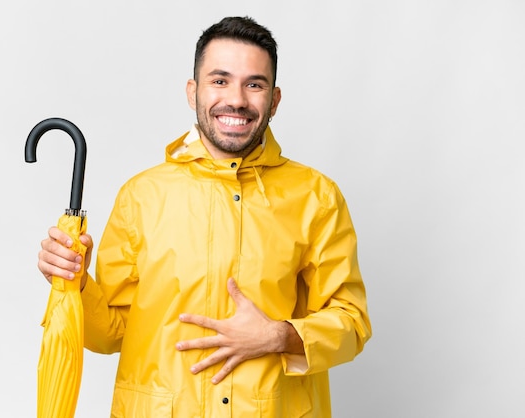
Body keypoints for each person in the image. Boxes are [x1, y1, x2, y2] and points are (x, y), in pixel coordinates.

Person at [37, 16, 371, 418]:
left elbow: (351, 324)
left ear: (275, 99)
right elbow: (110, 333)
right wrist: (75, 285)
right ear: (192, 91)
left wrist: (279, 336)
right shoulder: (142, 196)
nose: (237, 99)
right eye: (220, 80)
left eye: (254, 84)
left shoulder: (316, 197)